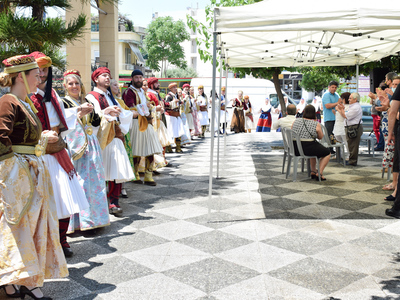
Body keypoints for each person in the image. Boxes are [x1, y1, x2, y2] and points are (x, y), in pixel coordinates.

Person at [0, 54, 68, 299]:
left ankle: (17, 284)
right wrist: (15, 168)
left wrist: (42, 140)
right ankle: (23, 283)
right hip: (19, 178)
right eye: (34, 73)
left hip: (30, 174)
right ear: (20, 76)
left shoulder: (24, 102)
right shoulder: (9, 101)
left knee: (29, 227)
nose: (40, 76)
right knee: (19, 227)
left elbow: (23, 139)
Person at [30, 51, 89, 257]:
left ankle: (62, 240)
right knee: (44, 200)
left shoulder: (52, 94)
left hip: (57, 151)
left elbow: (61, 119)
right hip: (38, 154)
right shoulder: (27, 96)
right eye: (37, 69)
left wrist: (77, 113)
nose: (41, 74)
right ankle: (46, 242)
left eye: (44, 69)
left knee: (65, 197)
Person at [62, 69, 110, 233]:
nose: (74, 86)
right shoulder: (64, 103)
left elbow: (96, 121)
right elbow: (62, 124)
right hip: (76, 147)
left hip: (91, 145)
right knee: (81, 183)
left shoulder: (86, 100)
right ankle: (82, 222)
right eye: (71, 84)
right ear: (65, 86)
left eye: (77, 83)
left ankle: (96, 218)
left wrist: (105, 114)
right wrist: (77, 113)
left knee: (95, 183)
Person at [86, 67, 135, 216]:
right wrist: (106, 113)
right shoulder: (92, 96)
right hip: (101, 138)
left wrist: (125, 114)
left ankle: (114, 201)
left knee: (116, 169)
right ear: (96, 79)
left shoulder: (110, 96)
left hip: (114, 136)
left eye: (109, 76)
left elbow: (122, 112)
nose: (108, 78)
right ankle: (100, 202)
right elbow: (91, 117)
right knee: (101, 171)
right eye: (104, 76)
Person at [122, 69, 163, 185]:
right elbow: (130, 108)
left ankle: (148, 176)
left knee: (150, 149)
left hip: (147, 122)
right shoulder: (128, 92)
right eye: (136, 78)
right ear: (132, 79)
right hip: (136, 123)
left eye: (140, 77)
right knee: (136, 150)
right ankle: (135, 175)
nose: (139, 80)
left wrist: (148, 107)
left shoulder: (142, 92)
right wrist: (145, 107)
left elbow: (147, 106)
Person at [291, 105, 331, 180]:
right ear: (314, 114)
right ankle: (320, 172)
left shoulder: (296, 121)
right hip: (307, 148)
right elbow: (320, 137)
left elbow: (292, 131)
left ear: (304, 112)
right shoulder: (315, 124)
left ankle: (313, 171)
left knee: (314, 149)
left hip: (295, 148)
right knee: (327, 153)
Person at [147, 77, 173, 165]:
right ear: (151, 84)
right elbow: (149, 107)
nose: (158, 84)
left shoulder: (156, 94)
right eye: (156, 83)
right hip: (155, 121)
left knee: (162, 140)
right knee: (158, 140)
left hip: (160, 119)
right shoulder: (150, 94)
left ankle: (162, 160)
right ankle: (157, 162)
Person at [336, 92, 363, 166]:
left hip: (354, 127)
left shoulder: (355, 107)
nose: (349, 99)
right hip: (351, 127)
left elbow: (346, 116)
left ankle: (352, 161)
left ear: (355, 99)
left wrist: (341, 109)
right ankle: (351, 160)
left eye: (350, 98)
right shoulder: (353, 106)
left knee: (353, 145)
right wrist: (342, 109)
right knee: (351, 144)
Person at [164, 83, 185, 152]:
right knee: (170, 132)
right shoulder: (169, 96)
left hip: (176, 115)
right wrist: (173, 102)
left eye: (176, 87)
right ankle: (168, 147)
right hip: (170, 116)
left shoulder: (175, 96)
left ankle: (178, 147)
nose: (175, 88)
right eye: (174, 87)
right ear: (170, 89)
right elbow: (166, 105)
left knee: (179, 131)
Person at [322, 81, 340, 154]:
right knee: (329, 135)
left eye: (335, 87)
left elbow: (340, 104)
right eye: (332, 87)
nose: (334, 89)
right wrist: (337, 103)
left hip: (337, 118)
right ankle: (329, 150)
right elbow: (327, 106)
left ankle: (336, 150)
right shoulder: (326, 95)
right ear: (329, 87)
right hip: (329, 118)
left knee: (336, 135)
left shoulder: (336, 95)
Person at [333, 93, 350, 162]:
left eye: (342, 98)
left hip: (343, 125)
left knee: (346, 142)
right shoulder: (341, 105)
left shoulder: (349, 107)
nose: (341, 100)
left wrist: (339, 110)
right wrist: (335, 112)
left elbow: (344, 115)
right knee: (338, 141)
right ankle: (339, 154)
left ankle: (349, 155)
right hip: (337, 125)